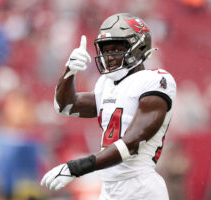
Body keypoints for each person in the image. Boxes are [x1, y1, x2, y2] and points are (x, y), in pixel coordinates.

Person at [41, 13, 176, 200]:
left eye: (116, 49)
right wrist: (69, 71)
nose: (109, 56)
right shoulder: (106, 84)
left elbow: (131, 144)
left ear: (140, 47)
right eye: (105, 50)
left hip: (140, 187)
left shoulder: (156, 81)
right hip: (110, 188)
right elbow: (64, 106)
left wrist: (76, 168)